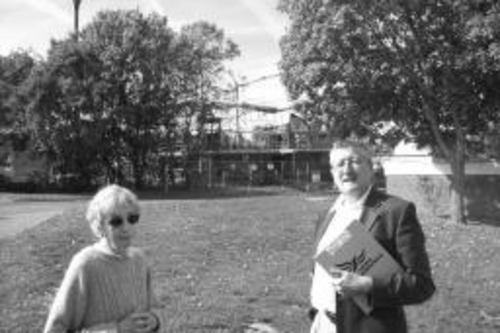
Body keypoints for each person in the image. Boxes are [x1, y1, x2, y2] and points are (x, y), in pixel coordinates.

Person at [310, 141, 435, 333]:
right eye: (340, 163)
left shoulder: (396, 211)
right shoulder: (326, 215)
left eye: (354, 161)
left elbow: (421, 285)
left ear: (370, 168)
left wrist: (367, 285)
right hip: (322, 324)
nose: (347, 169)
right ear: (332, 172)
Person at [43, 184, 166, 333]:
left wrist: (155, 320)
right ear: (99, 226)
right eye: (116, 221)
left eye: (132, 218)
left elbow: (155, 307)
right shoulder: (85, 264)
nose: (126, 227)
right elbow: (56, 329)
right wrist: (117, 329)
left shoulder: (139, 259)